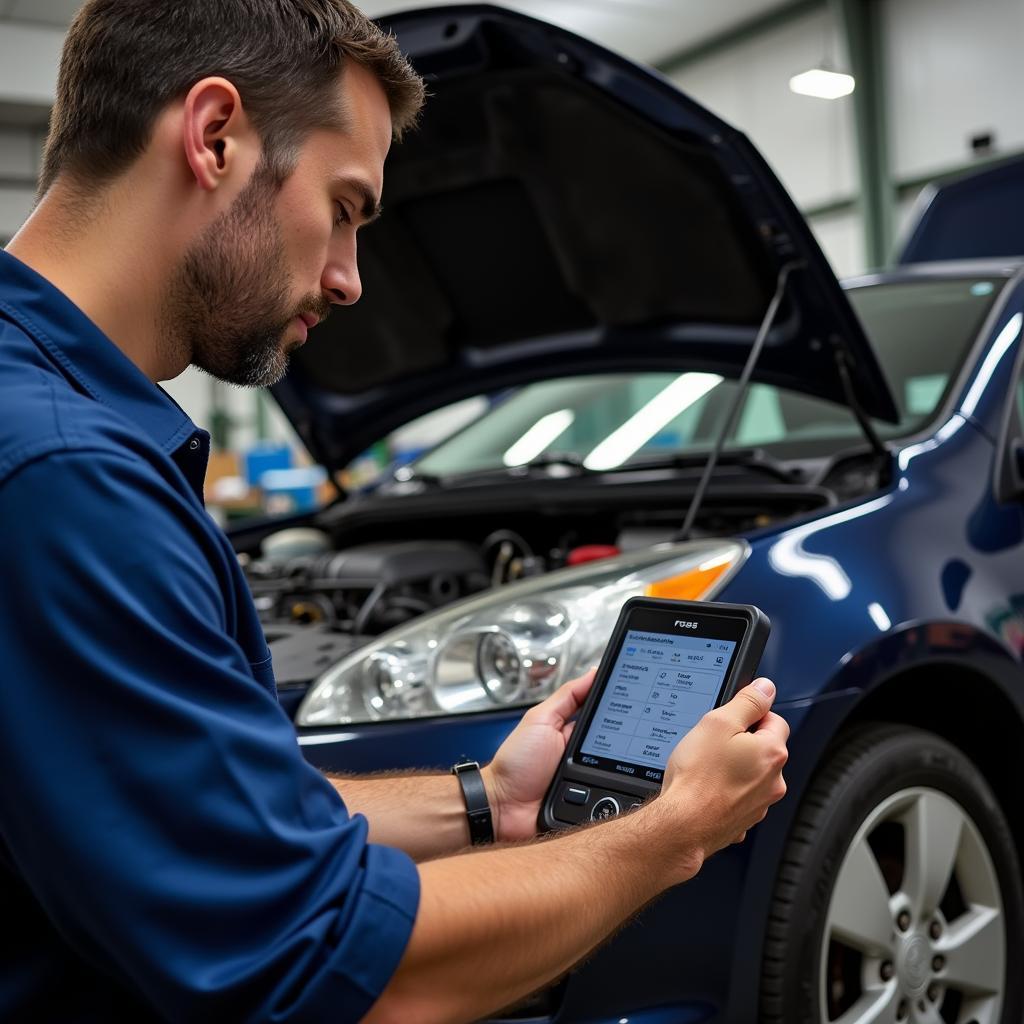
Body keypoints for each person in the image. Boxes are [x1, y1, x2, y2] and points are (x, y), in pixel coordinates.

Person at [0, 1, 790, 1021]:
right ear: (214, 137)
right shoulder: (65, 476)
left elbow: (213, 819)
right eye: (345, 207)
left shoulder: (47, 423)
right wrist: (670, 828)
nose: (350, 278)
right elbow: (320, 968)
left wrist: (490, 802)